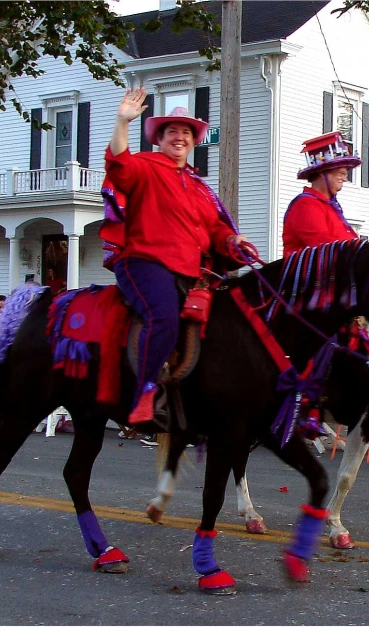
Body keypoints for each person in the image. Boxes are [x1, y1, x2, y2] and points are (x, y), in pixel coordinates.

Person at [103, 87, 246, 424]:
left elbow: (214, 231)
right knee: (164, 316)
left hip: (190, 271)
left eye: (185, 132)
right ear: (160, 139)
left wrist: (233, 241)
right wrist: (122, 122)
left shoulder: (199, 187)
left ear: (194, 140)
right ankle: (146, 394)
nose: (179, 137)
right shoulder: (145, 167)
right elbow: (118, 166)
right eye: (172, 132)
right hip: (144, 261)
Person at [282, 131, 361, 257]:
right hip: (312, 276)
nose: (345, 179)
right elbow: (326, 250)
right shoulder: (305, 205)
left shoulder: (331, 206)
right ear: (322, 173)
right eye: (341, 173)